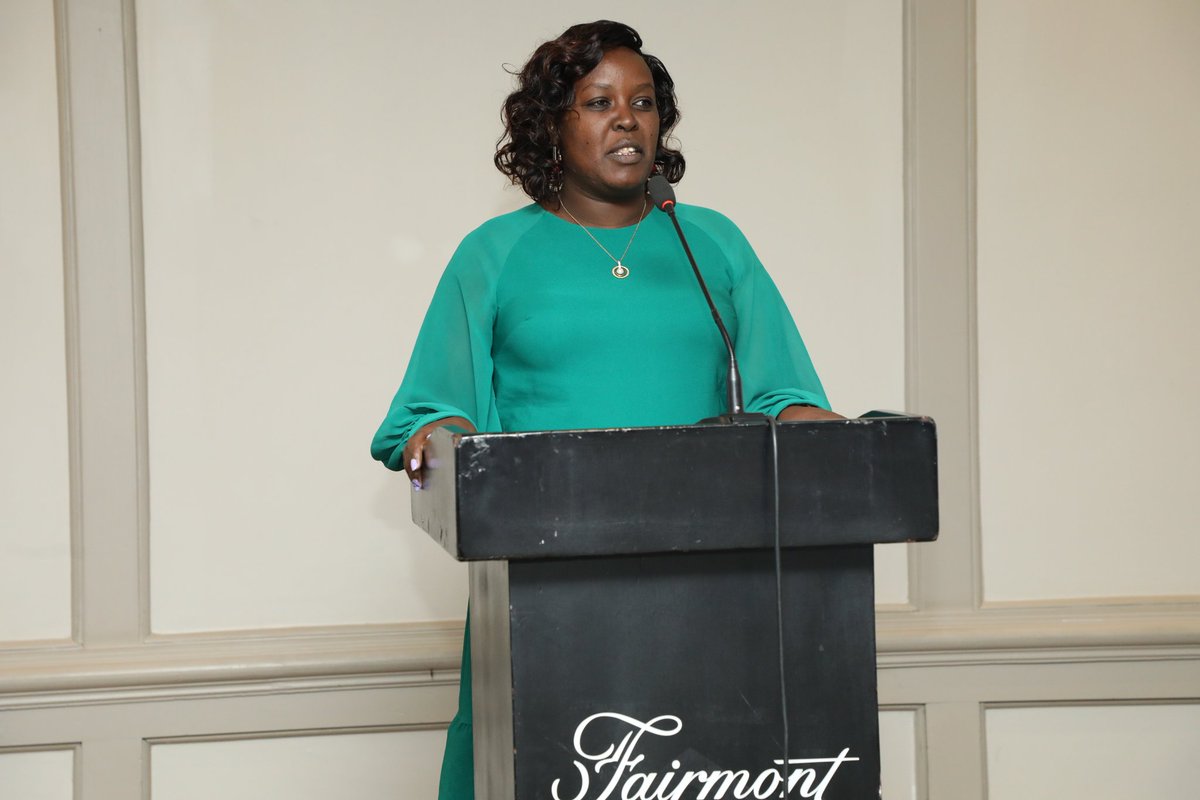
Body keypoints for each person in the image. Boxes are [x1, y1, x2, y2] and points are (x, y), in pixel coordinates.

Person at [371, 20, 840, 799]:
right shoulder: (495, 253)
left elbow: (781, 392)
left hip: (708, 585)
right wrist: (439, 437)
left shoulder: (711, 243)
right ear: (553, 126)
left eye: (644, 101)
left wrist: (828, 430)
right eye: (598, 102)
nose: (628, 118)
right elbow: (432, 409)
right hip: (544, 585)